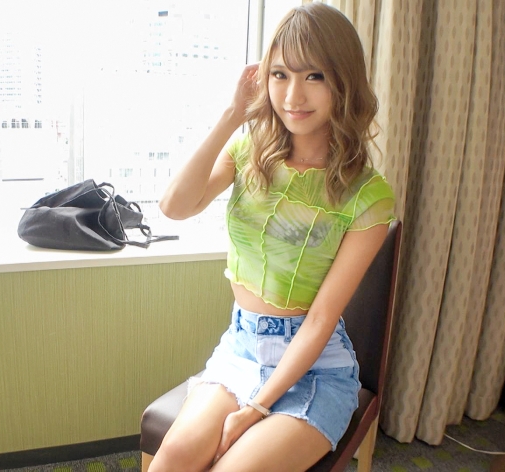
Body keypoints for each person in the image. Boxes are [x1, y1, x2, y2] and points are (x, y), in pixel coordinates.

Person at [151, 3, 396, 472]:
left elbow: (321, 318)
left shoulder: (368, 195)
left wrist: (257, 407)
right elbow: (175, 206)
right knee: (171, 462)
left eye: (314, 76)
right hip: (241, 349)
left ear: (343, 82)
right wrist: (232, 114)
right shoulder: (248, 152)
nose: (293, 95)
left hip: (316, 368)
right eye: (280, 74)